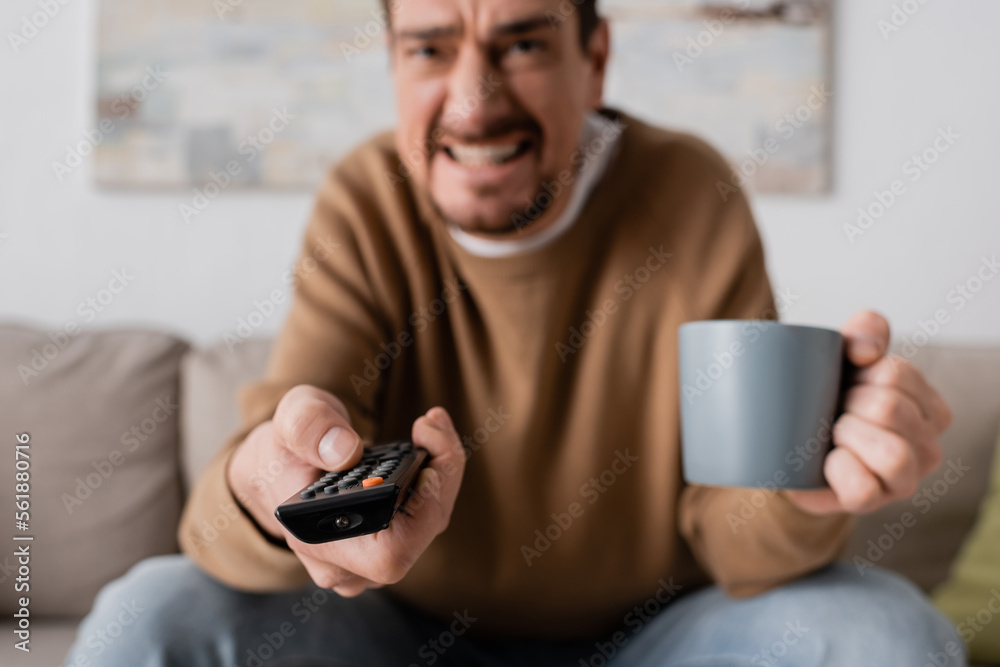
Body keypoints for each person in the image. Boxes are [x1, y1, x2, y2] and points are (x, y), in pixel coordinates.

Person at [67, 0, 965, 665]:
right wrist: (269, 490)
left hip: (657, 639)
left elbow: (734, 534)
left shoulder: (691, 192)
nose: (473, 100)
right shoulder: (367, 199)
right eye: (430, 47)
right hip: (400, 633)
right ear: (392, 62)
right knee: (154, 609)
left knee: (887, 633)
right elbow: (227, 519)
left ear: (596, 59)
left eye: (524, 43)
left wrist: (803, 487)